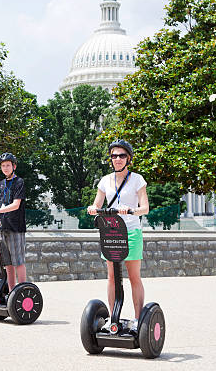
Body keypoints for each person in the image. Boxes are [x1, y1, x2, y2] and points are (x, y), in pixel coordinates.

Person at [87, 139, 149, 332]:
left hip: (131, 231)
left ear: (128, 158)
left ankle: (139, 320)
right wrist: (92, 208)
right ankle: (114, 319)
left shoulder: (137, 179)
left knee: (133, 277)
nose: (118, 159)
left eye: (122, 155)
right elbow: (97, 204)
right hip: (111, 232)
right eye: (114, 156)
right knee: (112, 278)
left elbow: (145, 208)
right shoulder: (105, 181)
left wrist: (130, 210)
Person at [0, 153, 27, 290]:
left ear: (13, 166)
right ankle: (12, 292)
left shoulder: (19, 182)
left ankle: (22, 291)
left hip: (16, 228)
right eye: (3, 166)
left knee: (18, 262)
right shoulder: (1, 184)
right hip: (3, 228)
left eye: (8, 165)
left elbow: (16, 205)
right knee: (7, 263)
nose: (5, 168)